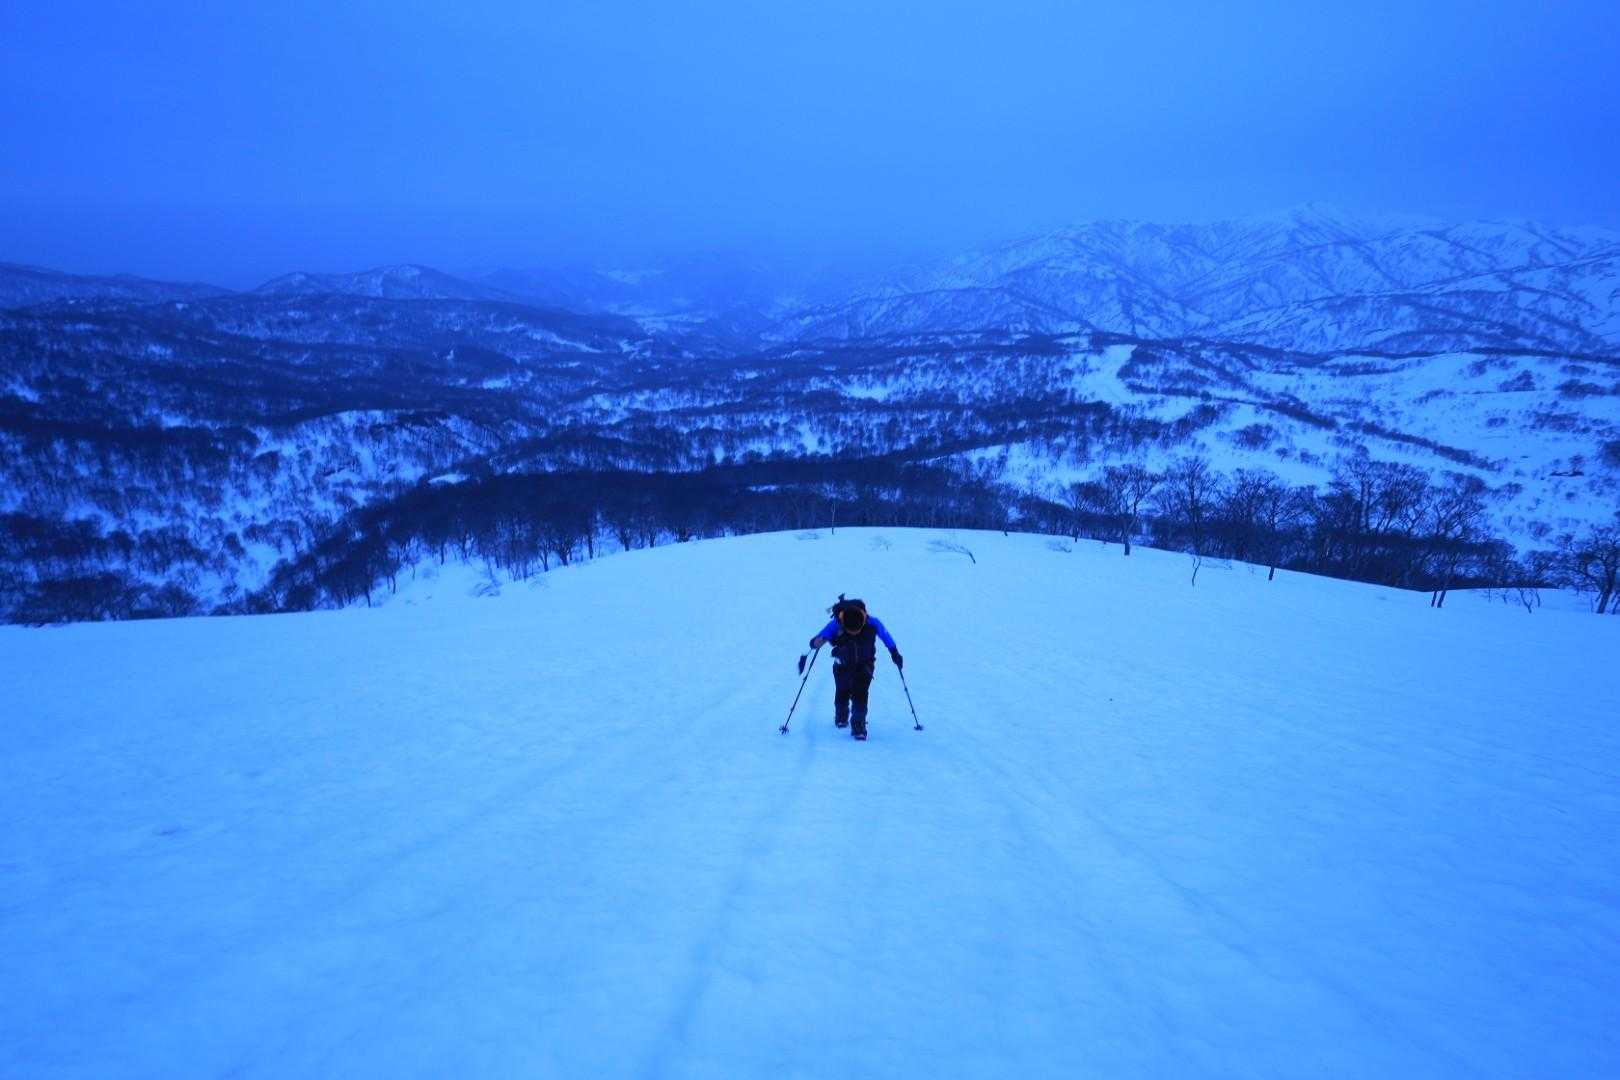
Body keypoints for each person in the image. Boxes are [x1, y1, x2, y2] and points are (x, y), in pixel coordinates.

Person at [805, 595, 902, 741]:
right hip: (842, 664)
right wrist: (816, 642)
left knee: (860, 694)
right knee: (842, 690)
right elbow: (820, 637)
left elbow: (886, 636)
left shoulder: (872, 622)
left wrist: (894, 653)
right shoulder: (836, 623)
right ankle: (841, 717)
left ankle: (858, 727)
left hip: (865, 665)